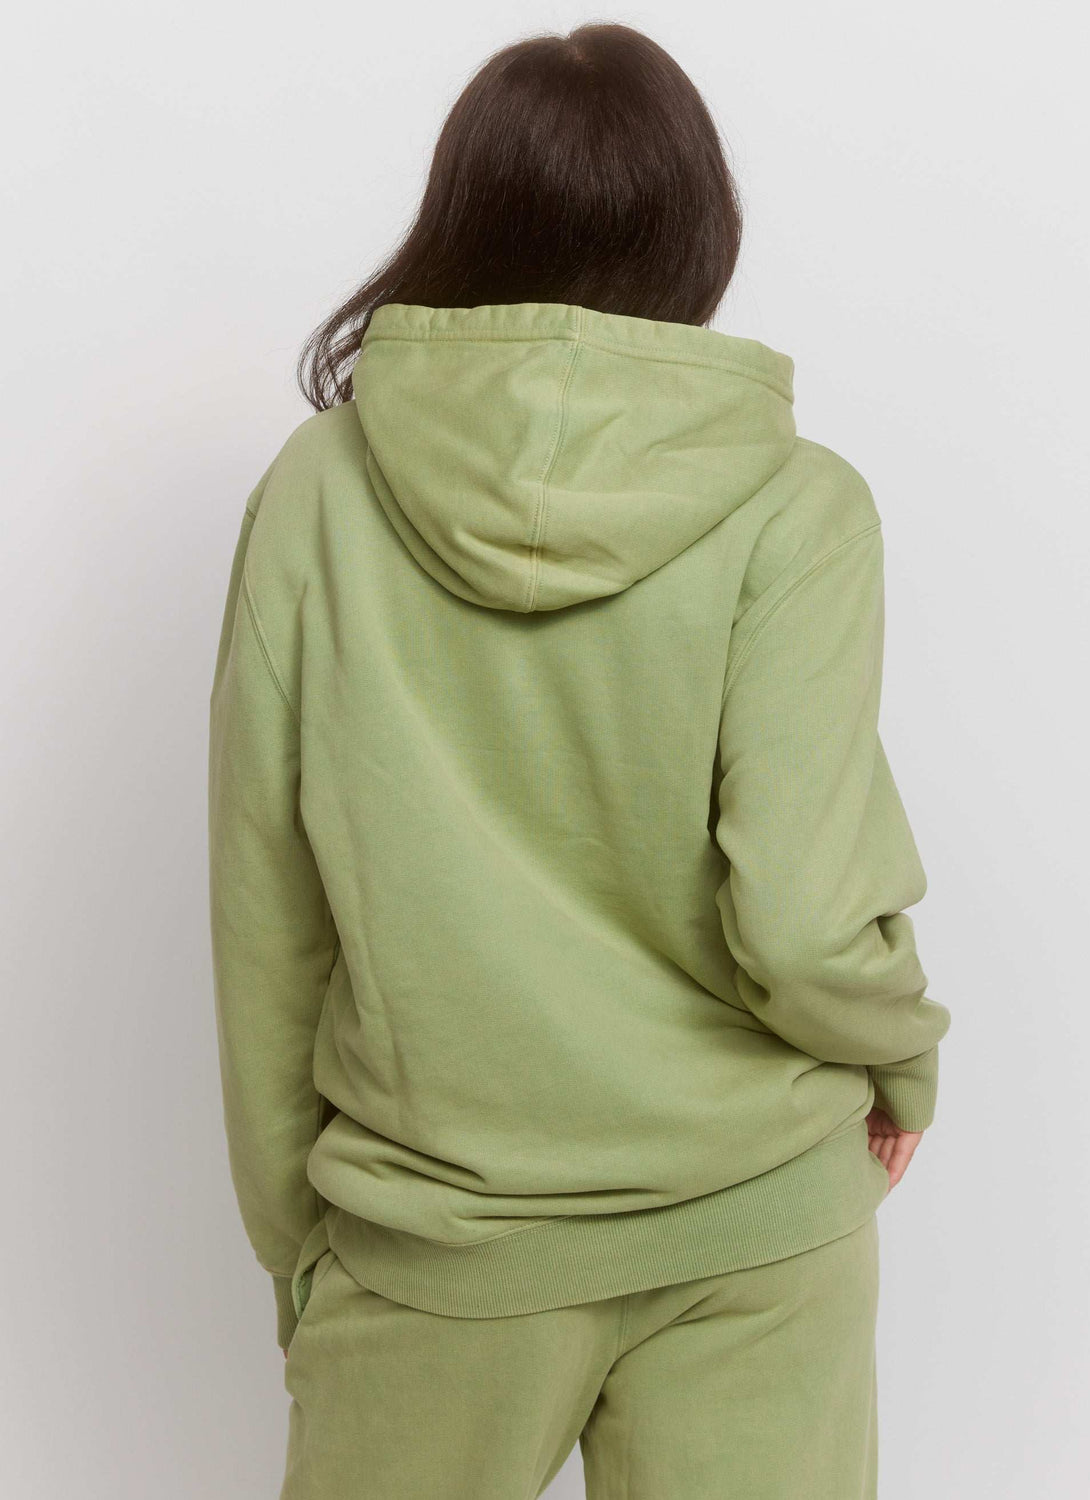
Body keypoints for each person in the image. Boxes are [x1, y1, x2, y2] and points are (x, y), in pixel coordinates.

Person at [207, 21, 951, 1500]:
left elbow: (266, 908)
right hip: (756, 1223)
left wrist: (299, 1237)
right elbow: (804, 918)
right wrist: (903, 1061)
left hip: (438, 1236)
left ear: (463, 213)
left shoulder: (316, 496)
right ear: (700, 229)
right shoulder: (799, 509)